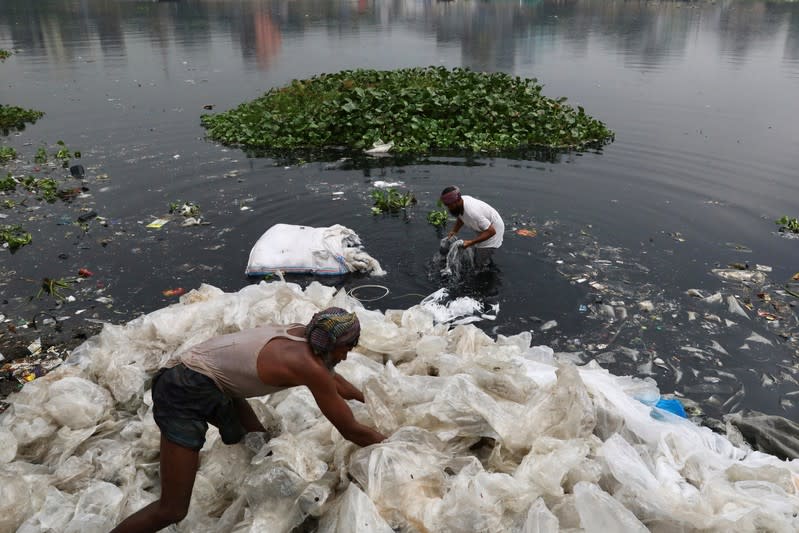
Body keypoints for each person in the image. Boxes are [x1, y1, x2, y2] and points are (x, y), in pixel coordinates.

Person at [111, 307, 386, 533]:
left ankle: (276, 506)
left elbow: (334, 381)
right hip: (183, 389)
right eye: (347, 348)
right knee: (172, 508)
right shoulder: (308, 366)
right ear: (330, 344)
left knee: (262, 446)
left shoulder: (302, 336)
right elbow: (350, 430)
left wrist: (370, 401)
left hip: (209, 379)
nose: (347, 355)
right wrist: (390, 445)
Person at [440, 185, 504, 269]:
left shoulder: (472, 213)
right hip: (484, 226)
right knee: (477, 252)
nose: (448, 208)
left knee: (479, 265)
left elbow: (491, 231)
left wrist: (471, 242)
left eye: (449, 205)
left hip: (494, 230)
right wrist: (454, 231)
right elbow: (461, 216)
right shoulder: (461, 203)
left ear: (456, 201)